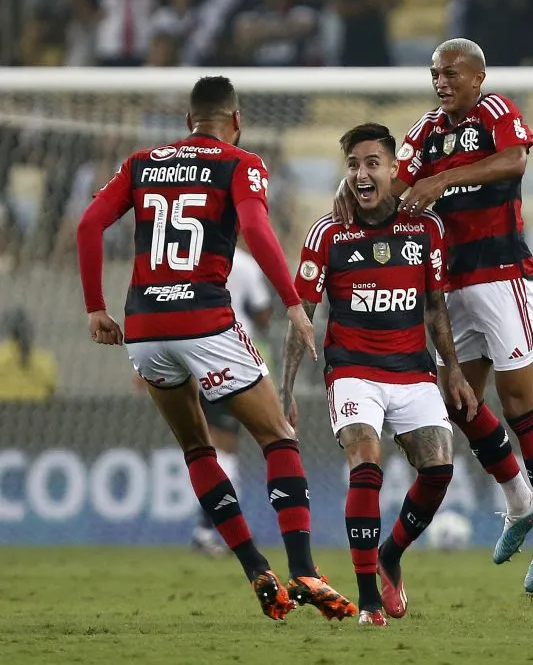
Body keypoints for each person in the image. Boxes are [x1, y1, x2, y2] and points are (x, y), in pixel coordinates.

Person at [76, 76, 356, 622]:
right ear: (237, 120)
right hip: (205, 321)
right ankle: (303, 567)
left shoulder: (141, 163)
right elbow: (254, 224)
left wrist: (94, 307)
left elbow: (88, 224)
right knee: (279, 436)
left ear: (188, 122)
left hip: (146, 327)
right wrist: (293, 302)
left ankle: (256, 568)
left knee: (197, 449)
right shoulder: (240, 162)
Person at [333, 38, 533, 594]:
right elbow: (396, 178)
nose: (440, 82)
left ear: (477, 77)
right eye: (434, 73)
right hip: (455, 285)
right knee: (460, 403)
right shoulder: (428, 129)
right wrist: (356, 187)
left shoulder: (496, 113)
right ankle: (516, 498)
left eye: (450, 73)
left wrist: (446, 179)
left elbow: (515, 160)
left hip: (503, 275)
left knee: (517, 404)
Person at [283, 122, 477, 627]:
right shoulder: (329, 232)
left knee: (439, 468)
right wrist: (285, 391)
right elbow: (300, 312)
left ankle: (390, 554)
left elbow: (436, 307)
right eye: (353, 165)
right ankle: (369, 598)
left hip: (413, 370)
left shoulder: (426, 228)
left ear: (394, 169)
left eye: (372, 164)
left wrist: (452, 370)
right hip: (352, 370)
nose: (362, 174)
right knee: (366, 462)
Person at [190, 242, 275, 556]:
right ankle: (210, 530)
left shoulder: (194, 260)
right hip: (234, 358)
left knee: (211, 446)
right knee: (226, 448)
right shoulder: (244, 264)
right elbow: (264, 311)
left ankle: (209, 529)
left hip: (199, 355)